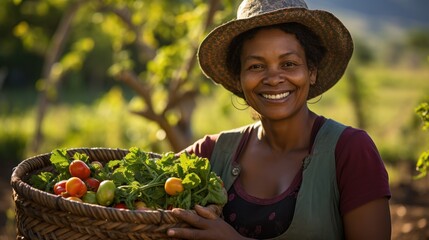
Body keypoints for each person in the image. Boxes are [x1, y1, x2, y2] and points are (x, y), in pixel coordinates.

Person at [167, 0, 391, 239]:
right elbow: (139, 190)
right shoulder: (210, 154)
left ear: (311, 71)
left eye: (289, 64)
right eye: (256, 66)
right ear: (239, 78)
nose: (273, 78)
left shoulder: (350, 151)